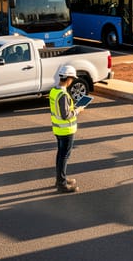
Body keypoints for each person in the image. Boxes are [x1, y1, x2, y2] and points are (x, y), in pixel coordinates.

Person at [50, 64, 80, 193]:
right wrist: (78, 110)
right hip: (66, 131)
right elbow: (65, 115)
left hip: (58, 130)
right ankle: (62, 185)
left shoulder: (54, 91)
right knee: (64, 157)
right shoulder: (63, 95)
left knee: (60, 155)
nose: (71, 81)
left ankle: (60, 179)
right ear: (68, 79)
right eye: (72, 79)